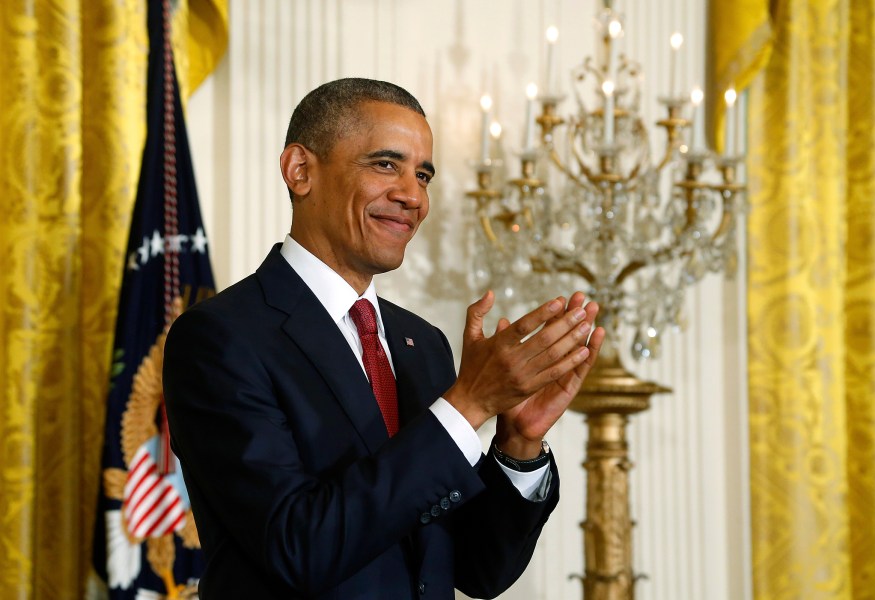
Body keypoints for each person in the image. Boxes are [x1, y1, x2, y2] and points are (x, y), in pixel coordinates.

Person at [163, 78, 604, 599]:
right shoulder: (220, 338)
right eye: (385, 165)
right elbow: (297, 546)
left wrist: (519, 444)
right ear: (300, 171)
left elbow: (476, 570)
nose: (413, 196)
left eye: (423, 174)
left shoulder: (423, 344)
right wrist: (467, 404)